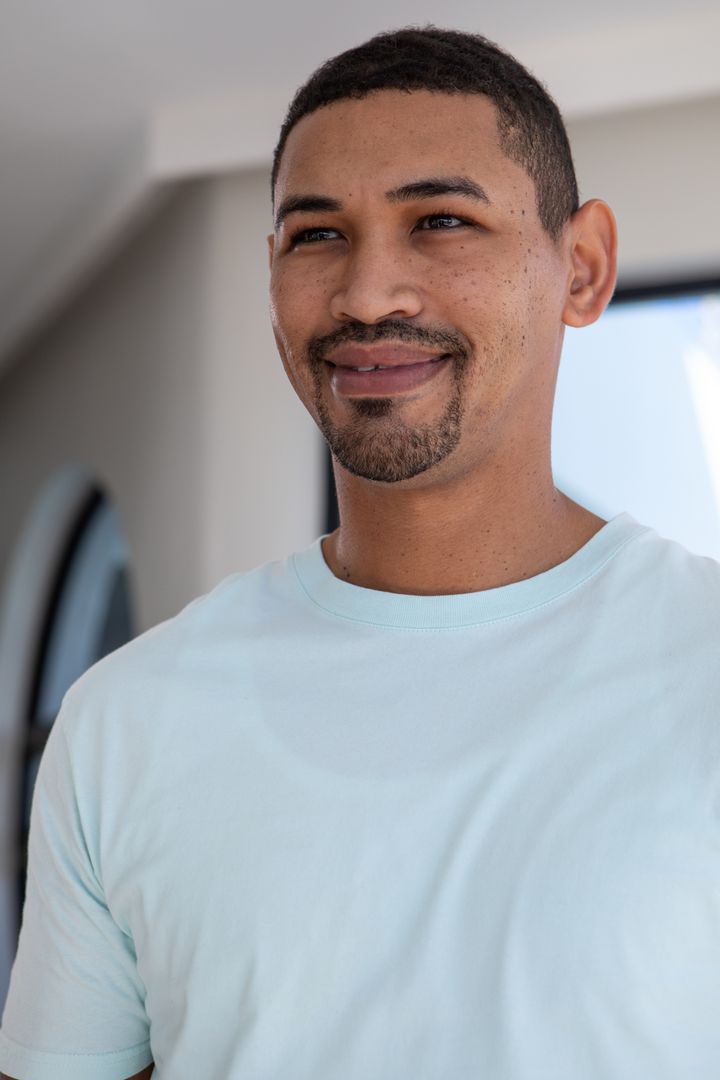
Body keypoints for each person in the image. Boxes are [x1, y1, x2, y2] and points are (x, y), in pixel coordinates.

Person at [1, 25, 719, 1080]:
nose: (369, 293)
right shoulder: (125, 724)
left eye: (441, 220)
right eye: (316, 236)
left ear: (584, 266)